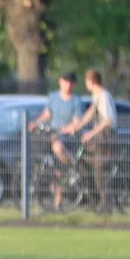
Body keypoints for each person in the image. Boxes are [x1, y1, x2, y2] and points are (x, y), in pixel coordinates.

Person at [62, 69, 117, 214]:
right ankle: (94, 200)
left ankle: (106, 206)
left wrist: (90, 133)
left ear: (90, 81)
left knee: (100, 172)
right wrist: (74, 127)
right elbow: (89, 115)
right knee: (82, 163)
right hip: (97, 139)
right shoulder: (96, 96)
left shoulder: (104, 96)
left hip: (104, 138)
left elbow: (108, 120)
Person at [28, 73, 84, 211]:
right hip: (52, 136)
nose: (68, 85)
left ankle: (72, 165)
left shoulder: (76, 101)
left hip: (68, 139)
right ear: (60, 82)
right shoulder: (53, 97)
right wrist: (35, 123)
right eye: (65, 81)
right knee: (53, 169)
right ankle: (54, 202)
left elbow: (76, 123)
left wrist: (62, 131)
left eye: (71, 82)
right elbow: (47, 114)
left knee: (58, 151)